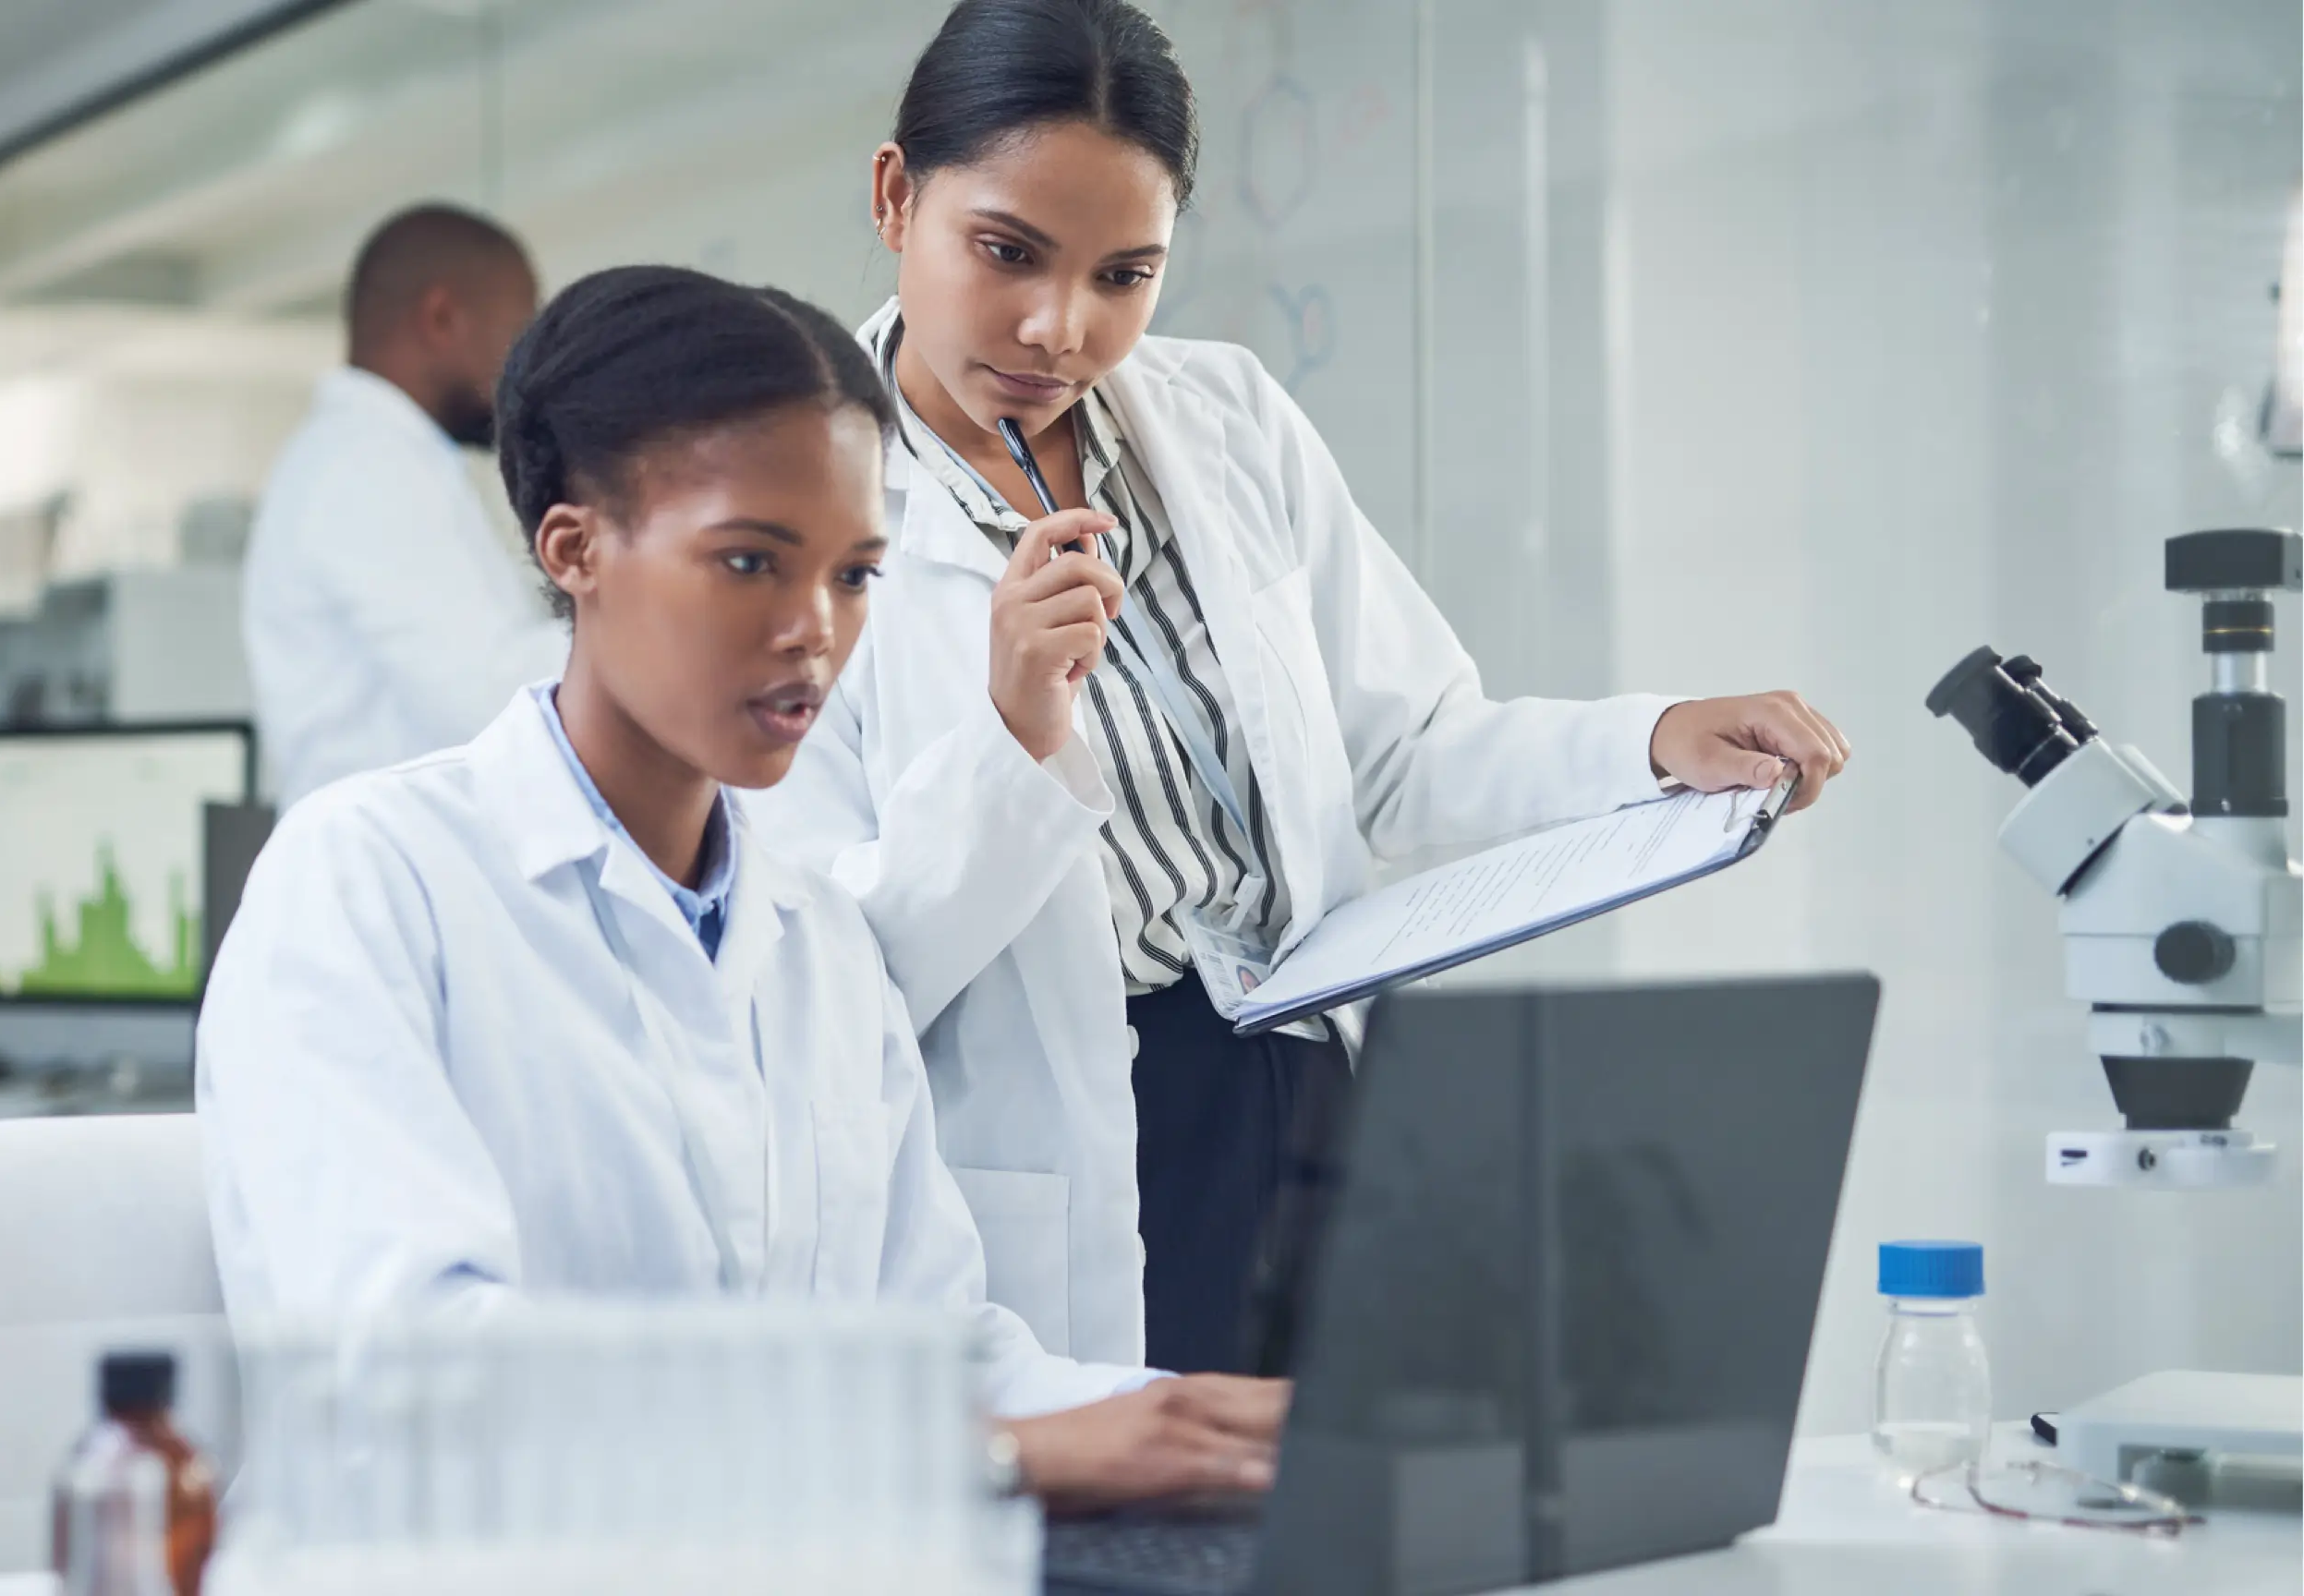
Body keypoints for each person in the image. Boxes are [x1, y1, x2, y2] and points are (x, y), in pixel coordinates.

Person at [745, 0, 1855, 1377]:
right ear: (894, 194)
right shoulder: (796, 507)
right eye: (1007, 252)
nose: (1059, 327)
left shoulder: (1227, 420)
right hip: (1097, 1138)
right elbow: (823, 977)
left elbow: (1408, 748)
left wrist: (1653, 744)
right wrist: (1011, 732)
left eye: (1124, 275)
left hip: (1316, 1089)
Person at [198, 265, 1289, 1507]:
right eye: (750, 564)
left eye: (854, 574)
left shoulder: (813, 939)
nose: (813, 630)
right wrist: (998, 1457)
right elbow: (417, 1386)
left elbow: (934, 1353)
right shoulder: (366, 885)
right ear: (576, 549)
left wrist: (1182, 1418)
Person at [241, 202, 565, 804]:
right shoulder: (364, 466)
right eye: (522, 332)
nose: (531, 370)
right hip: (387, 884)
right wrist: (665, 626)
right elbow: (490, 696)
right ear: (442, 318)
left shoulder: (387, 460)